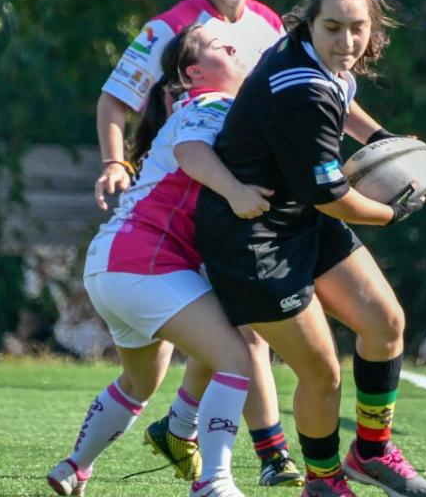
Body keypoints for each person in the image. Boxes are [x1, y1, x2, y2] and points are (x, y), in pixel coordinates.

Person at [194, 0, 426, 497]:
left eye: (358, 27)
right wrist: (393, 212)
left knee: (385, 322)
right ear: (309, 23)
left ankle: (369, 452)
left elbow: (344, 98)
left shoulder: (320, 61)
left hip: (296, 216)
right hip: (252, 238)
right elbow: (332, 198)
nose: (348, 41)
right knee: (322, 372)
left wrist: (387, 141)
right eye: (334, 28)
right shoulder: (300, 89)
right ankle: (323, 483)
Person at [94, 0, 304, 486]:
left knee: (243, 323)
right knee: (239, 328)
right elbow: (114, 103)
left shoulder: (271, 26)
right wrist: (116, 162)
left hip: (239, 192)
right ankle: (262, 451)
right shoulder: (171, 27)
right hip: (187, 193)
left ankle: (204, 431)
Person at [48, 25, 271, 497]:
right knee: (235, 357)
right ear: (195, 72)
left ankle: (74, 466)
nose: (233, 48)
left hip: (111, 265)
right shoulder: (214, 104)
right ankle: (213, 482)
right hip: (146, 264)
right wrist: (238, 193)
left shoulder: (195, 109)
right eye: (219, 46)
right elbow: (192, 155)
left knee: (138, 383)